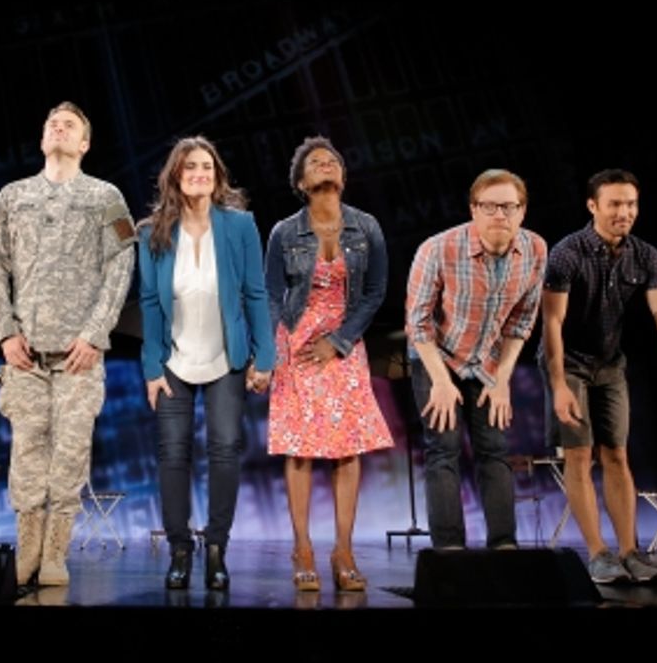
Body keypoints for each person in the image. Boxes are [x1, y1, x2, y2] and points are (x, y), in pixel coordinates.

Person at [0, 102, 135, 588]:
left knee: (69, 454)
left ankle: (54, 553)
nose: (59, 127)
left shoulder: (105, 196)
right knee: (26, 451)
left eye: (69, 125)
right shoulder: (12, 196)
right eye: (51, 123)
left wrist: (95, 334)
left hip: (78, 357)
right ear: (43, 139)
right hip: (24, 355)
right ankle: (26, 548)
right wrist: (4, 330)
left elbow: (121, 262)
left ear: (84, 143)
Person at [138, 136, 274, 591]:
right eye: (190, 166)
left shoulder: (240, 226)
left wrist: (264, 357)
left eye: (207, 167)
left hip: (227, 358)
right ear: (176, 175)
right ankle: (180, 549)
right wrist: (152, 367)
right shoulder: (153, 230)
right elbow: (149, 303)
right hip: (174, 360)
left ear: (216, 177)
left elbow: (255, 294)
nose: (199, 173)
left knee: (225, 449)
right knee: (173, 453)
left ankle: (217, 547)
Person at [540, 169, 657, 585]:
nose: (625, 212)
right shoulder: (568, 252)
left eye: (631, 204)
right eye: (615, 204)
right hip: (567, 362)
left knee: (618, 455)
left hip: (610, 363)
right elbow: (552, 322)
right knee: (580, 455)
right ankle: (599, 553)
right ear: (593, 206)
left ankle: (629, 551)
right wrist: (556, 385)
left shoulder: (646, 255)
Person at [265, 136, 392, 592]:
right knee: (299, 450)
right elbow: (272, 296)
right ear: (302, 181)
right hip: (297, 347)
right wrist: (281, 350)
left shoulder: (366, 227)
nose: (325, 165)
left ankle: (344, 550)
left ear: (342, 175)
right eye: (315, 162)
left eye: (332, 161)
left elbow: (375, 291)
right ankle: (302, 549)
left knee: (346, 449)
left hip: (343, 345)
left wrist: (338, 341)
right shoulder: (284, 231)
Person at [407, 168, 547, 552]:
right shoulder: (437, 248)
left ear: (522, 211)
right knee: (444, 447)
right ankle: (448, 550)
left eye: (509, 206)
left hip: (486, 362)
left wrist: (502, 380)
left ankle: (504, 546)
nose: (499, 214)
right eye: (490, 206)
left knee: (494, 448)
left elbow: (521, 322)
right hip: (436, 356)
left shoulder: (535, 249)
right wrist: (439, 380)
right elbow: (417, 324)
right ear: (474, 210)